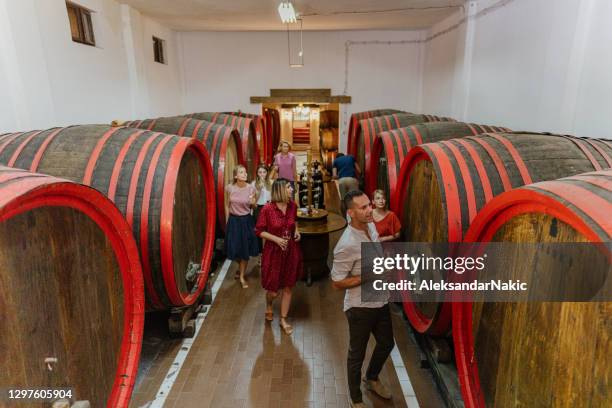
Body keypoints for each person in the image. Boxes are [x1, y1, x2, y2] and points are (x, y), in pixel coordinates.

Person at [331, 190, 394, 407]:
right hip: (360, 308)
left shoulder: (372, 226)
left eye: (369, 205)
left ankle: (372, 377)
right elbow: (337, 282)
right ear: (351, 213)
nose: (370, 210)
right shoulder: (346, 244)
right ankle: (356, 400)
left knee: (387, 343)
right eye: (363, 207)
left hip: (380, 299)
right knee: (356, 355)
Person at [255, 178, 303, 335]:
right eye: (289, 187)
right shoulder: (267, 209)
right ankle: (269, 305)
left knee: (288, 286)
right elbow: (259, 231)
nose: (291, 190)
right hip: (273, 253)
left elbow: (294, 222)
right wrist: (276, 239)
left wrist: (296, 232)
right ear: (280, 190)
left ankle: (283, 319)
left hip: (290, 251)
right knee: (273, 291)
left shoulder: (292, 206)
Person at [225, 164, 259, 289]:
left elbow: (254, 206)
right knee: (234, 249)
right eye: (241, 172)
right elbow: (227, 204)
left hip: (246, 221)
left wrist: (253, 203)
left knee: (245, 250)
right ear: (235, 176)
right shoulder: (229, 188)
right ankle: (240, 268)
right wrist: (227, 220)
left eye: (245, 172)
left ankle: (242, 276)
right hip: (233, 221)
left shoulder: (251, 188)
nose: (244, 174)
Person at [252, 164, 272, 258]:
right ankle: (261, 253)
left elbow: (273, 197)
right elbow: (253, 202)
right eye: (260, 172)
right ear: (257, 174)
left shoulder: (271, 183)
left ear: (267, 173)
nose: (262, 174)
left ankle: (267, 252)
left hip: (268, 207)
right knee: (260, 231)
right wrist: (259, 190)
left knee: (268, 230)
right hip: (258, 208)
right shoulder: (253, 184)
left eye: (264, 172)